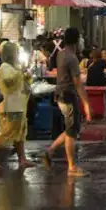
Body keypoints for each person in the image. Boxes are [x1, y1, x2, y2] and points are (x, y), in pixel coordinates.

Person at [43, 28, 91, 177]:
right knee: (71, 132)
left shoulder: (61, 53)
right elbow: (78, 84)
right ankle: (72, 167)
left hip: (60, 94)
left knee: (72, 129)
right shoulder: (72, 58)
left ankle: (50, 151)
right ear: (77, 41)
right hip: (68, 96)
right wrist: (86, 105)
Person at [0, 42, 35, 170]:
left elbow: (20, 81)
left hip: (18, 105)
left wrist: (26, 75)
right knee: (6, 131)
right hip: (9, 106)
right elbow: (9, 80)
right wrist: (21, 73)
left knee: (20, 132)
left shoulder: (14, 67)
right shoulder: (4, 67)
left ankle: (22, 158)